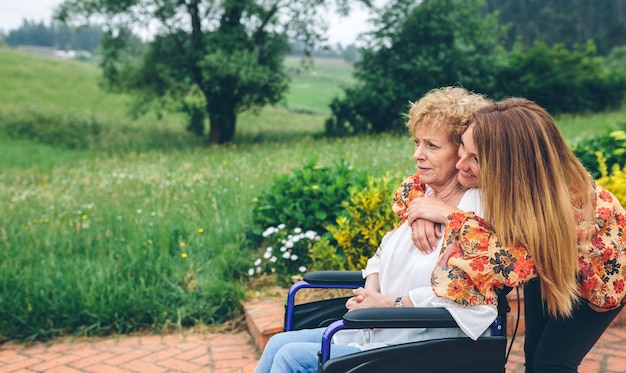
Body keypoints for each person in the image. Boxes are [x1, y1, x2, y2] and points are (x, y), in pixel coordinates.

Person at [254, 86, 493, 373]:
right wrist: (370, 296)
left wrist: (388, 305)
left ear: (462, 150)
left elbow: (467, 299)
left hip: (425, 346)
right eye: (417, 142)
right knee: (277, 344)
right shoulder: (423, 197)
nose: (418, 154)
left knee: (292, 358)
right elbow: (381, 255)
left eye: (432, 145)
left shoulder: (475, 213)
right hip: (378, 331)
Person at [406, 97, 626, 372]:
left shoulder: (563, 207)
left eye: (475, 159)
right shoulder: (511, 177)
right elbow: (419, 182)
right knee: (532, 351)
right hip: (548, 264)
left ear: (511, 164)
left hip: (594, 279)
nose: (460, 165)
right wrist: (419, 213)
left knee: (551, 363)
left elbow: (506, 264)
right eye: (462, 145)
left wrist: (447, 216)